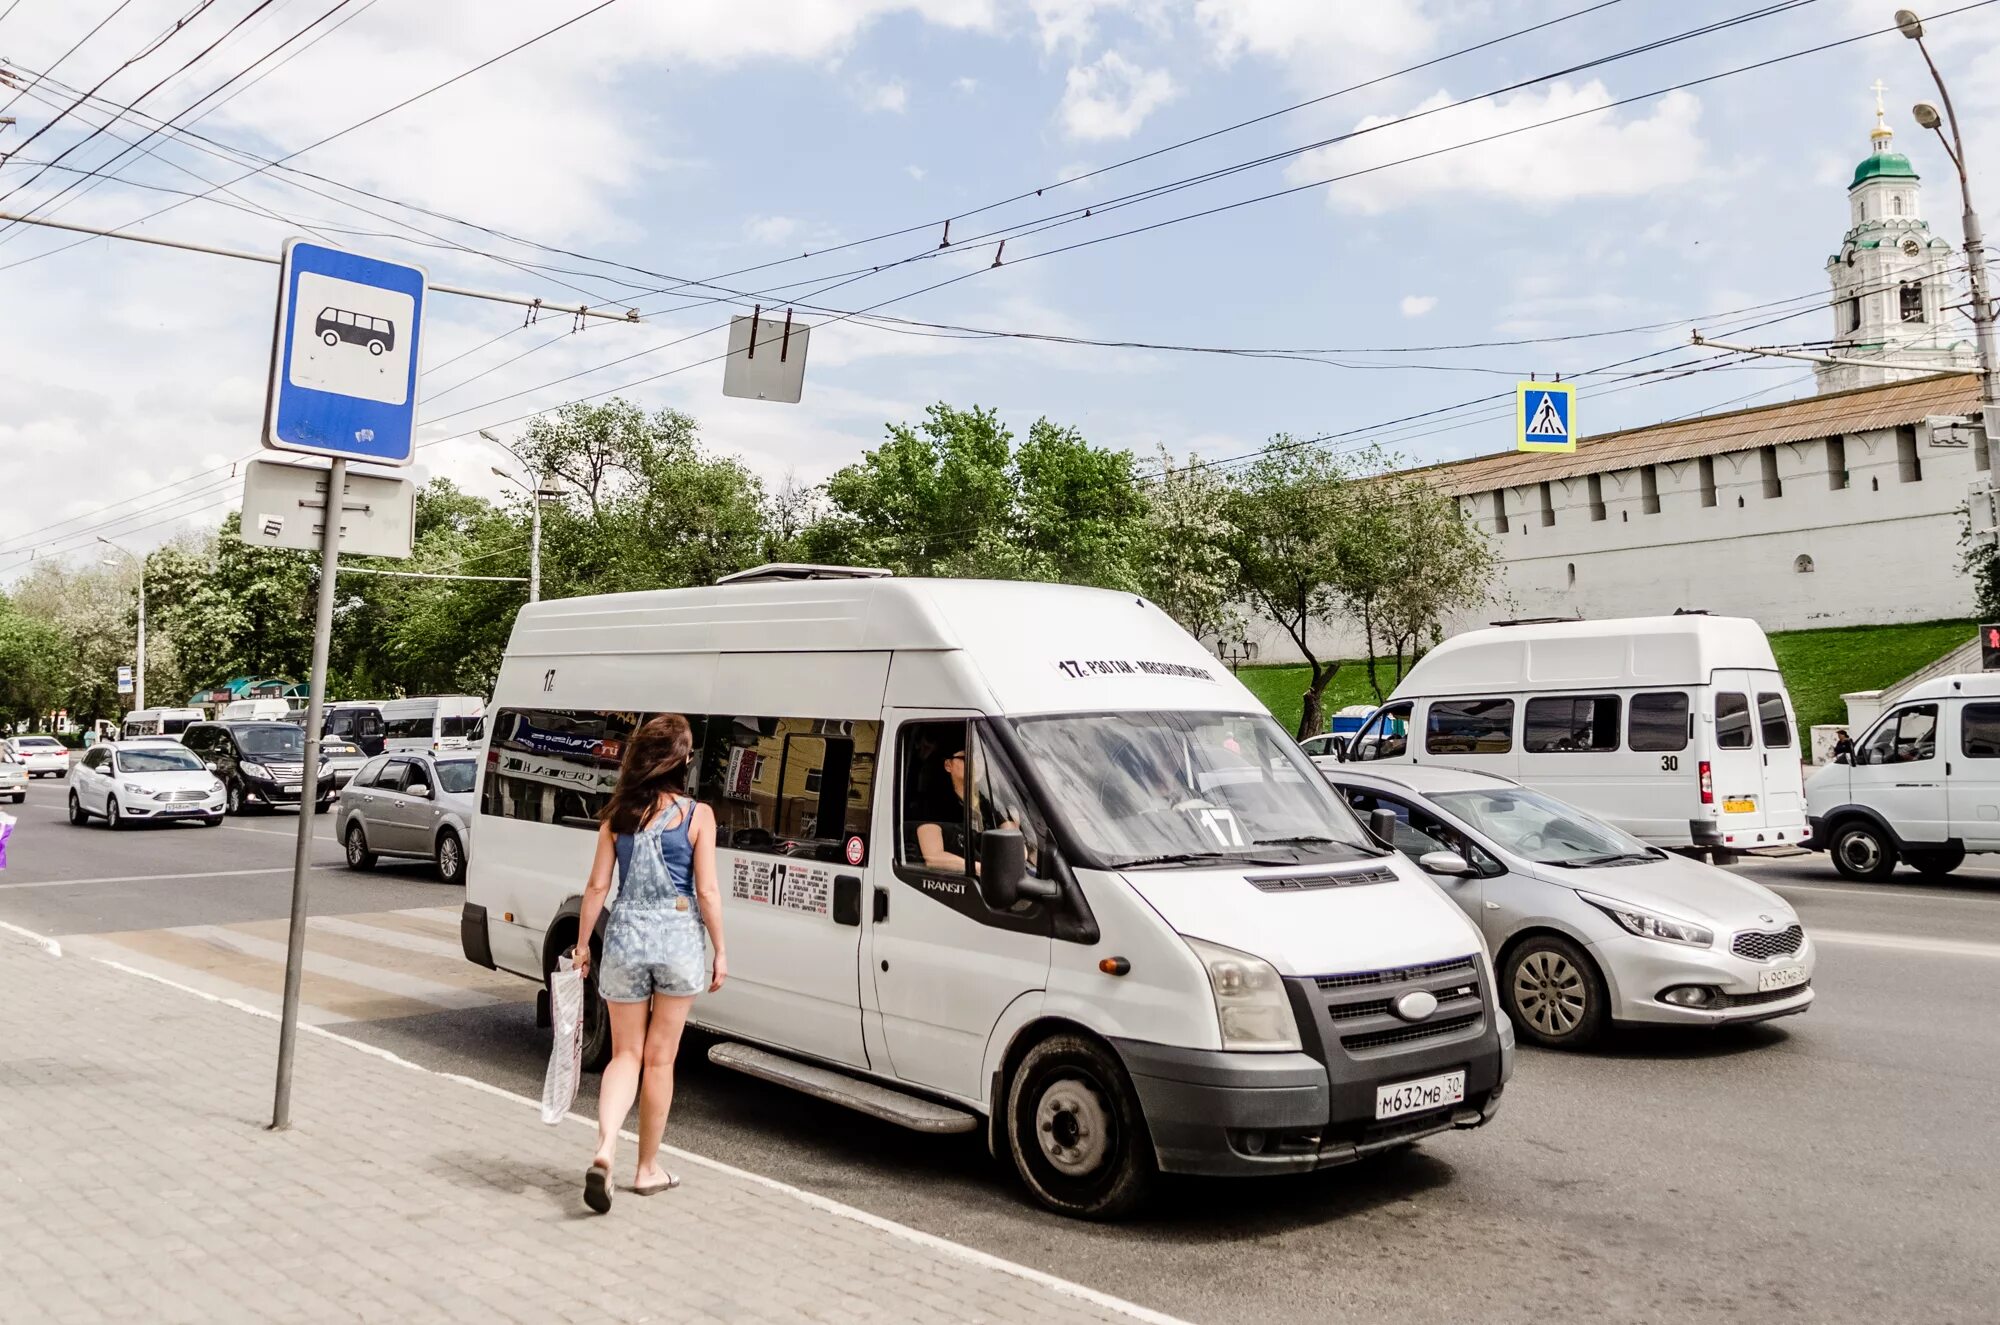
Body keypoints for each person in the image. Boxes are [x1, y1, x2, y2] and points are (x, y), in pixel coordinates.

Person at [571, 714, 727, 1214]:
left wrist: (581, 945)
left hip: (626, 939)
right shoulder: (697, 815)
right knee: (661, 1060)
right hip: (679, 939)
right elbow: (706, 890)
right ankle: (646, 1170)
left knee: (625, 1056)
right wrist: (720, 948)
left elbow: (597, 888)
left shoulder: (616, 815)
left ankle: (604, 1150)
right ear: (683, 760)